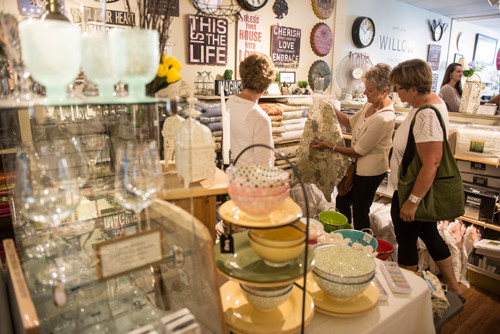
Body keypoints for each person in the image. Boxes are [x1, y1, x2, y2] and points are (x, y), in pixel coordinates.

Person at [389, 58, 464, 298]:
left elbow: (431, 162)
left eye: (399, 87)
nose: (396, 93)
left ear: (413, 87)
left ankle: (408, 298)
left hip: (412, 191)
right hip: (415, 190)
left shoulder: (426, 116)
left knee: (407, 241)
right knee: (430, 235)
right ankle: (453, 285)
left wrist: (412, 200)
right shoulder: (424, 107)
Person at [310, 63, 395, 231]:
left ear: (384, 91)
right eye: (365, 88)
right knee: (342, 201)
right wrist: (331, 107)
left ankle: (363, 243)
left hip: (371, 171)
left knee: (360, 209)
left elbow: (358, 151)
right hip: (356, 167)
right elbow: (349, 122)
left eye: (369, 90)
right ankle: (345, 234)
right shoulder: (369, 105)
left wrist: (329, 147)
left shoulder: (384, 118)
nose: (365, 93)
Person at [226, 52, 276, 166]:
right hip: (252, 180)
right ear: (267, 85)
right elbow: (263, 166)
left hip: (232, 174)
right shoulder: (259, 117)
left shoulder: (230, 103)